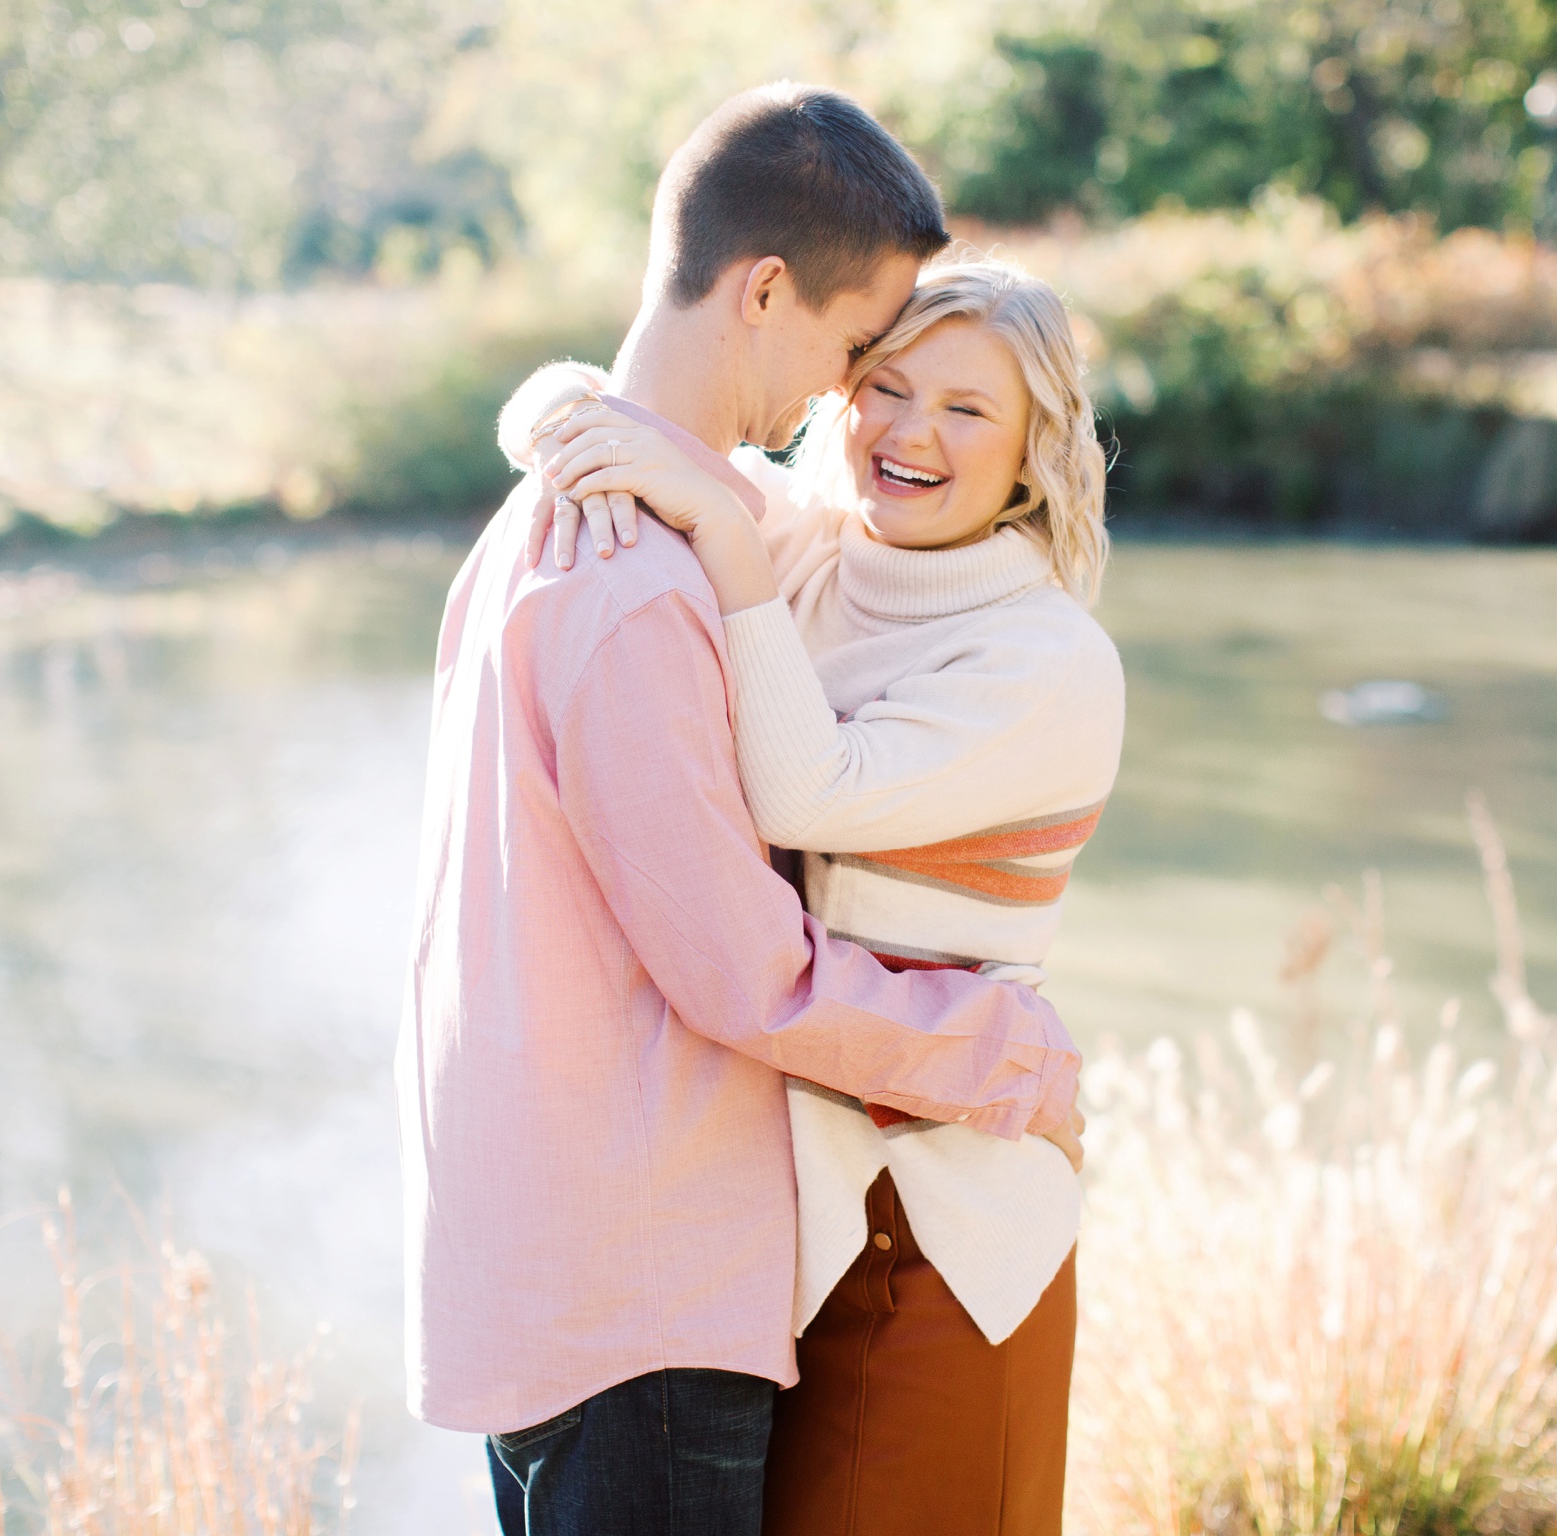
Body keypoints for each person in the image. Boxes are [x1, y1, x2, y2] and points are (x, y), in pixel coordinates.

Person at [397, 86, 1087, 1536]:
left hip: (528, 1272)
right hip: (639, 1292)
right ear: (764, 288)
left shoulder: (545, 515)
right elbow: (743, 972)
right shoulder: (645, 577)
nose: (852, 401)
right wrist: (1005, 1051)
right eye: (856, 352)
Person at [517, 258, 1124, 1534]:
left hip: (944, 1232)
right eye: (884, 385)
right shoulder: (819, 544)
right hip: (790, 1234)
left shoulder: (1044, 660)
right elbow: (569, 397)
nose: (910, 431)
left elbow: (807, 794)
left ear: (1031, 450)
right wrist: (569, 449)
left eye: (966, 408)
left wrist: (723, 535)